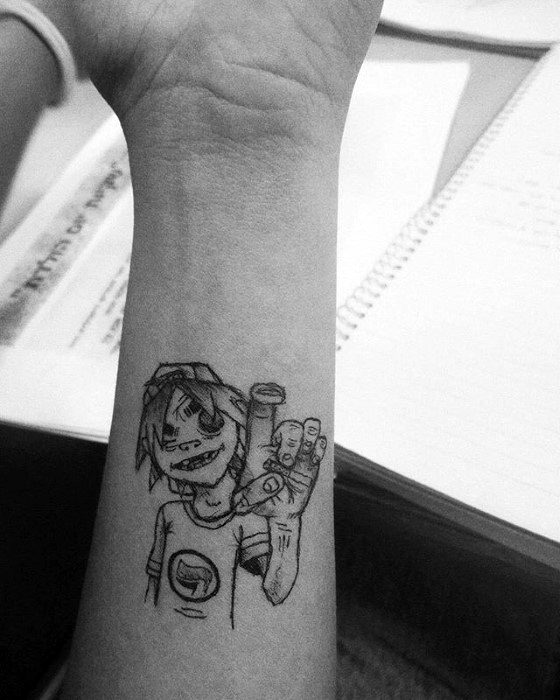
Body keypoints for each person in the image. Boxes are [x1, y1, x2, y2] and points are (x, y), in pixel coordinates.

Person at [0, 1, 383, 697]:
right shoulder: (174, 514)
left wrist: (283, 527)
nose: (188, 443)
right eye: (172, 432)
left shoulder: (244, 518)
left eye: (205, 420)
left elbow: (273, 585)